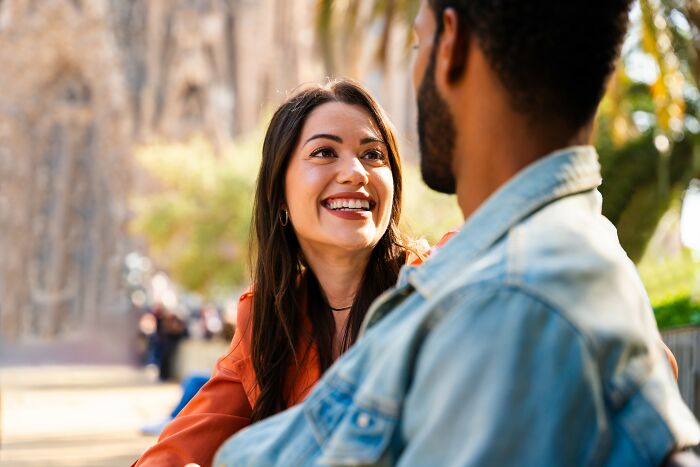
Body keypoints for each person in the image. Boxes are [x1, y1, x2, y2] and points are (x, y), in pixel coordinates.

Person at [214, 1, 699, 465]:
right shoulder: (548, 266)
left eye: (416, 43)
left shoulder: (499, 297)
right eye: (324, 153)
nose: (354, 174)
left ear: (451, 46)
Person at [134, 79, 426, 466]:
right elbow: (175, 452)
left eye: (373, 155)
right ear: (280, 193)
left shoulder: (438, 287)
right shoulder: (267, 323)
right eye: (324, 152)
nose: (355, 172)